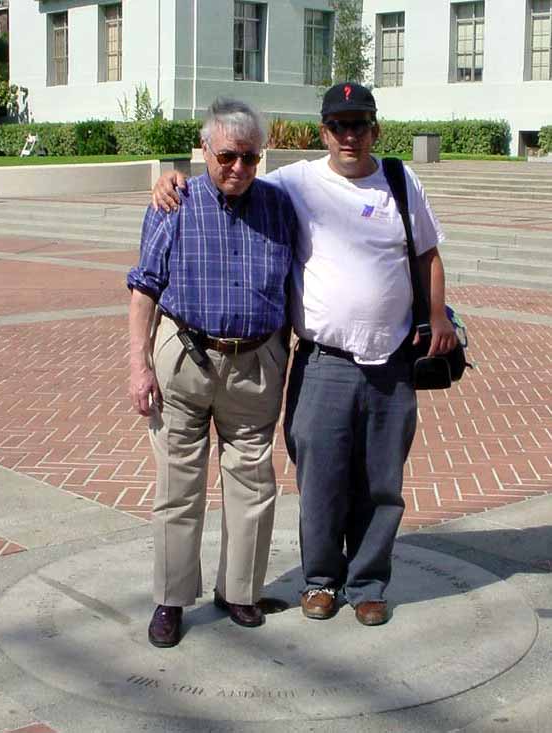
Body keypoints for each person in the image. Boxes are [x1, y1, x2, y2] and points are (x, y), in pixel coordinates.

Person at [152, 83, 457, 628]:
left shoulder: (400, 180)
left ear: (375, 130)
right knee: (319, 478)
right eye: (338, 125)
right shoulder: (294, 182)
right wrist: (172, 181)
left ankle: (367, 583)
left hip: (390, 361)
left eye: (359, 124)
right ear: (323, 132)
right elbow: (229, 179)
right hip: (323, 360)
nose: (349, 135)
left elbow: (428, 252)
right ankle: (320, 579)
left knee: (382, 482)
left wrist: (436, 317)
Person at [127, 98, 296, 648]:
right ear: (205, 151)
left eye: (250, 157)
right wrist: (138, 366)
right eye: (227, 156)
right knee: (178, 486)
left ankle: (239, 591)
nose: (238, 169)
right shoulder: (173, 203)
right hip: (185, 360)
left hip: (255, 363)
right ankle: (172, 599)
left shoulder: (278, 205)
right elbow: (144, 288)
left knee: (253, 480)